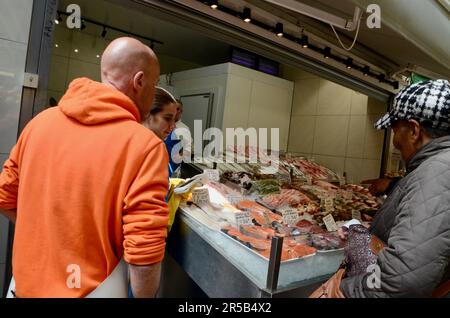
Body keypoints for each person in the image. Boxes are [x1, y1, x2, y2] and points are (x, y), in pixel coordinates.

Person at [0, 37, 169, 298]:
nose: (154, 90)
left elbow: (5, 197)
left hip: (22, 288)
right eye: (155, 83)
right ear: (139, 81)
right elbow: (144, 254)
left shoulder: (39, 123)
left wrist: (51, 236)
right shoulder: (145, 146)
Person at [339, 79, 450, 297]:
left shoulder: (437, 172)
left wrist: (339, 290)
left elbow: (400, 282)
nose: (394, 141)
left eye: (395, 130)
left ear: (414, 131)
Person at [164, 99, 192, 176]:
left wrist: (173, 162)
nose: (176, 111)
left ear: (181, 112)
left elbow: (187, 151)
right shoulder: (163, 123)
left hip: (173, 168)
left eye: (178, 109)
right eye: (174, 108)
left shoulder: (184, 129)